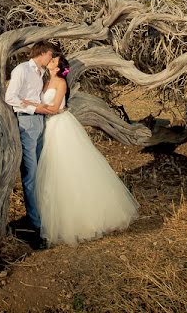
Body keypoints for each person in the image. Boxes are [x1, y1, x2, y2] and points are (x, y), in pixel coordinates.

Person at [35, 54, 139, 246]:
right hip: (47, 126)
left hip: (59, 125)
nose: (49, 62)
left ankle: (80, 219)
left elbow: (57, 107)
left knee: (69, 168)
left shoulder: (60, 83)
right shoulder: (46, 80)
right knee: (52, 170)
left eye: (53, 61)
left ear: (58, 68)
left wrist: (33, 107)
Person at [4, 41, 56, 240]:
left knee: (41, 171)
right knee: (31, 174)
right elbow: (10, 97)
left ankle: (43, 214)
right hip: (27, 123)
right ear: (42, 53)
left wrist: (40, 107)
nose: (51, 58)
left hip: (41, 122)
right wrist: (34, 108)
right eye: (50, 54)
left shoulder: (41, 73)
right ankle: (35, 223)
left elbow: (34, 96)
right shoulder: (22, 70)